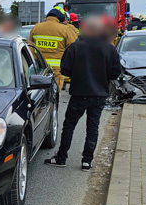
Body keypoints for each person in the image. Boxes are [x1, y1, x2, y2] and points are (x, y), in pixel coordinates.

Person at [45, 15, 122, 171]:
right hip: (99, 95)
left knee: (69, 126)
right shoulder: (110, 49)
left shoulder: (75, 47)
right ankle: (87, 161)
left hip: (79, 94)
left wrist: (78, 74)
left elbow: (64, 70)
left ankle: (61, 158)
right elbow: (115, 74)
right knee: (93, 128)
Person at [28, 6, 78, 90]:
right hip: (57, 69)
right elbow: (75, 48)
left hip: (39, 67)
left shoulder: (36, 27)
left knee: (39, 93)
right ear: (60, 17)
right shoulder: (65, 29)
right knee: (55, 93)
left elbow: (31, 47)